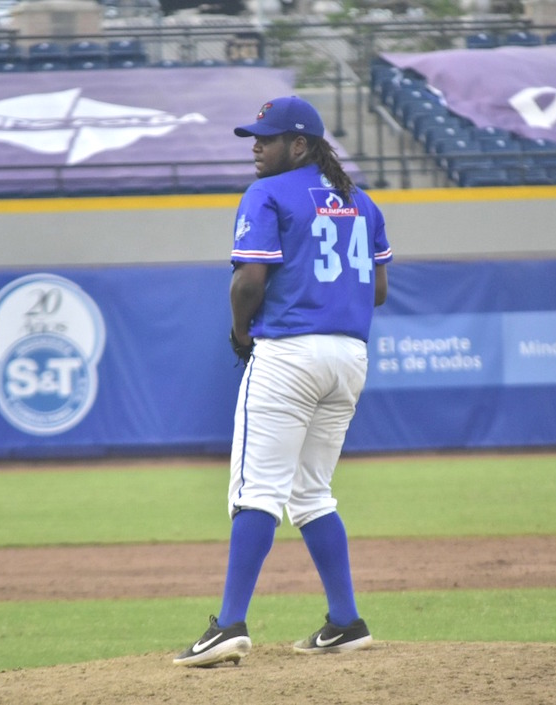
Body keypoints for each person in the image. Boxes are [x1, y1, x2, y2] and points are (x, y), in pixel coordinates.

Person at [174, 96, 393, 667]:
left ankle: (228, 626)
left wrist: (240, 333)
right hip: (349, 357)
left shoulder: (267, 194)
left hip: (289, 353)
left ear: (300, 145)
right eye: (255, 136)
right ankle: (345, 621)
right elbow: (379, 291)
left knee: (255, 491)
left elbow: (249, 279)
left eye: (267, 138)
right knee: (312, 493)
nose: (256, 146)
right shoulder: (362, 202)